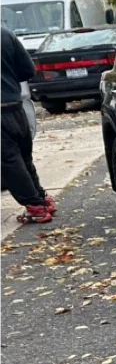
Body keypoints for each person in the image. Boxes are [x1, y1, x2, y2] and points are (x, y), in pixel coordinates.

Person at [0, 22, 51, 224]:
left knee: (9, 161)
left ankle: (35, 207)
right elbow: (27, 70)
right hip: (15, 106)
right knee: (23, 157)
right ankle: (42, 198)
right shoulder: (6, 35)